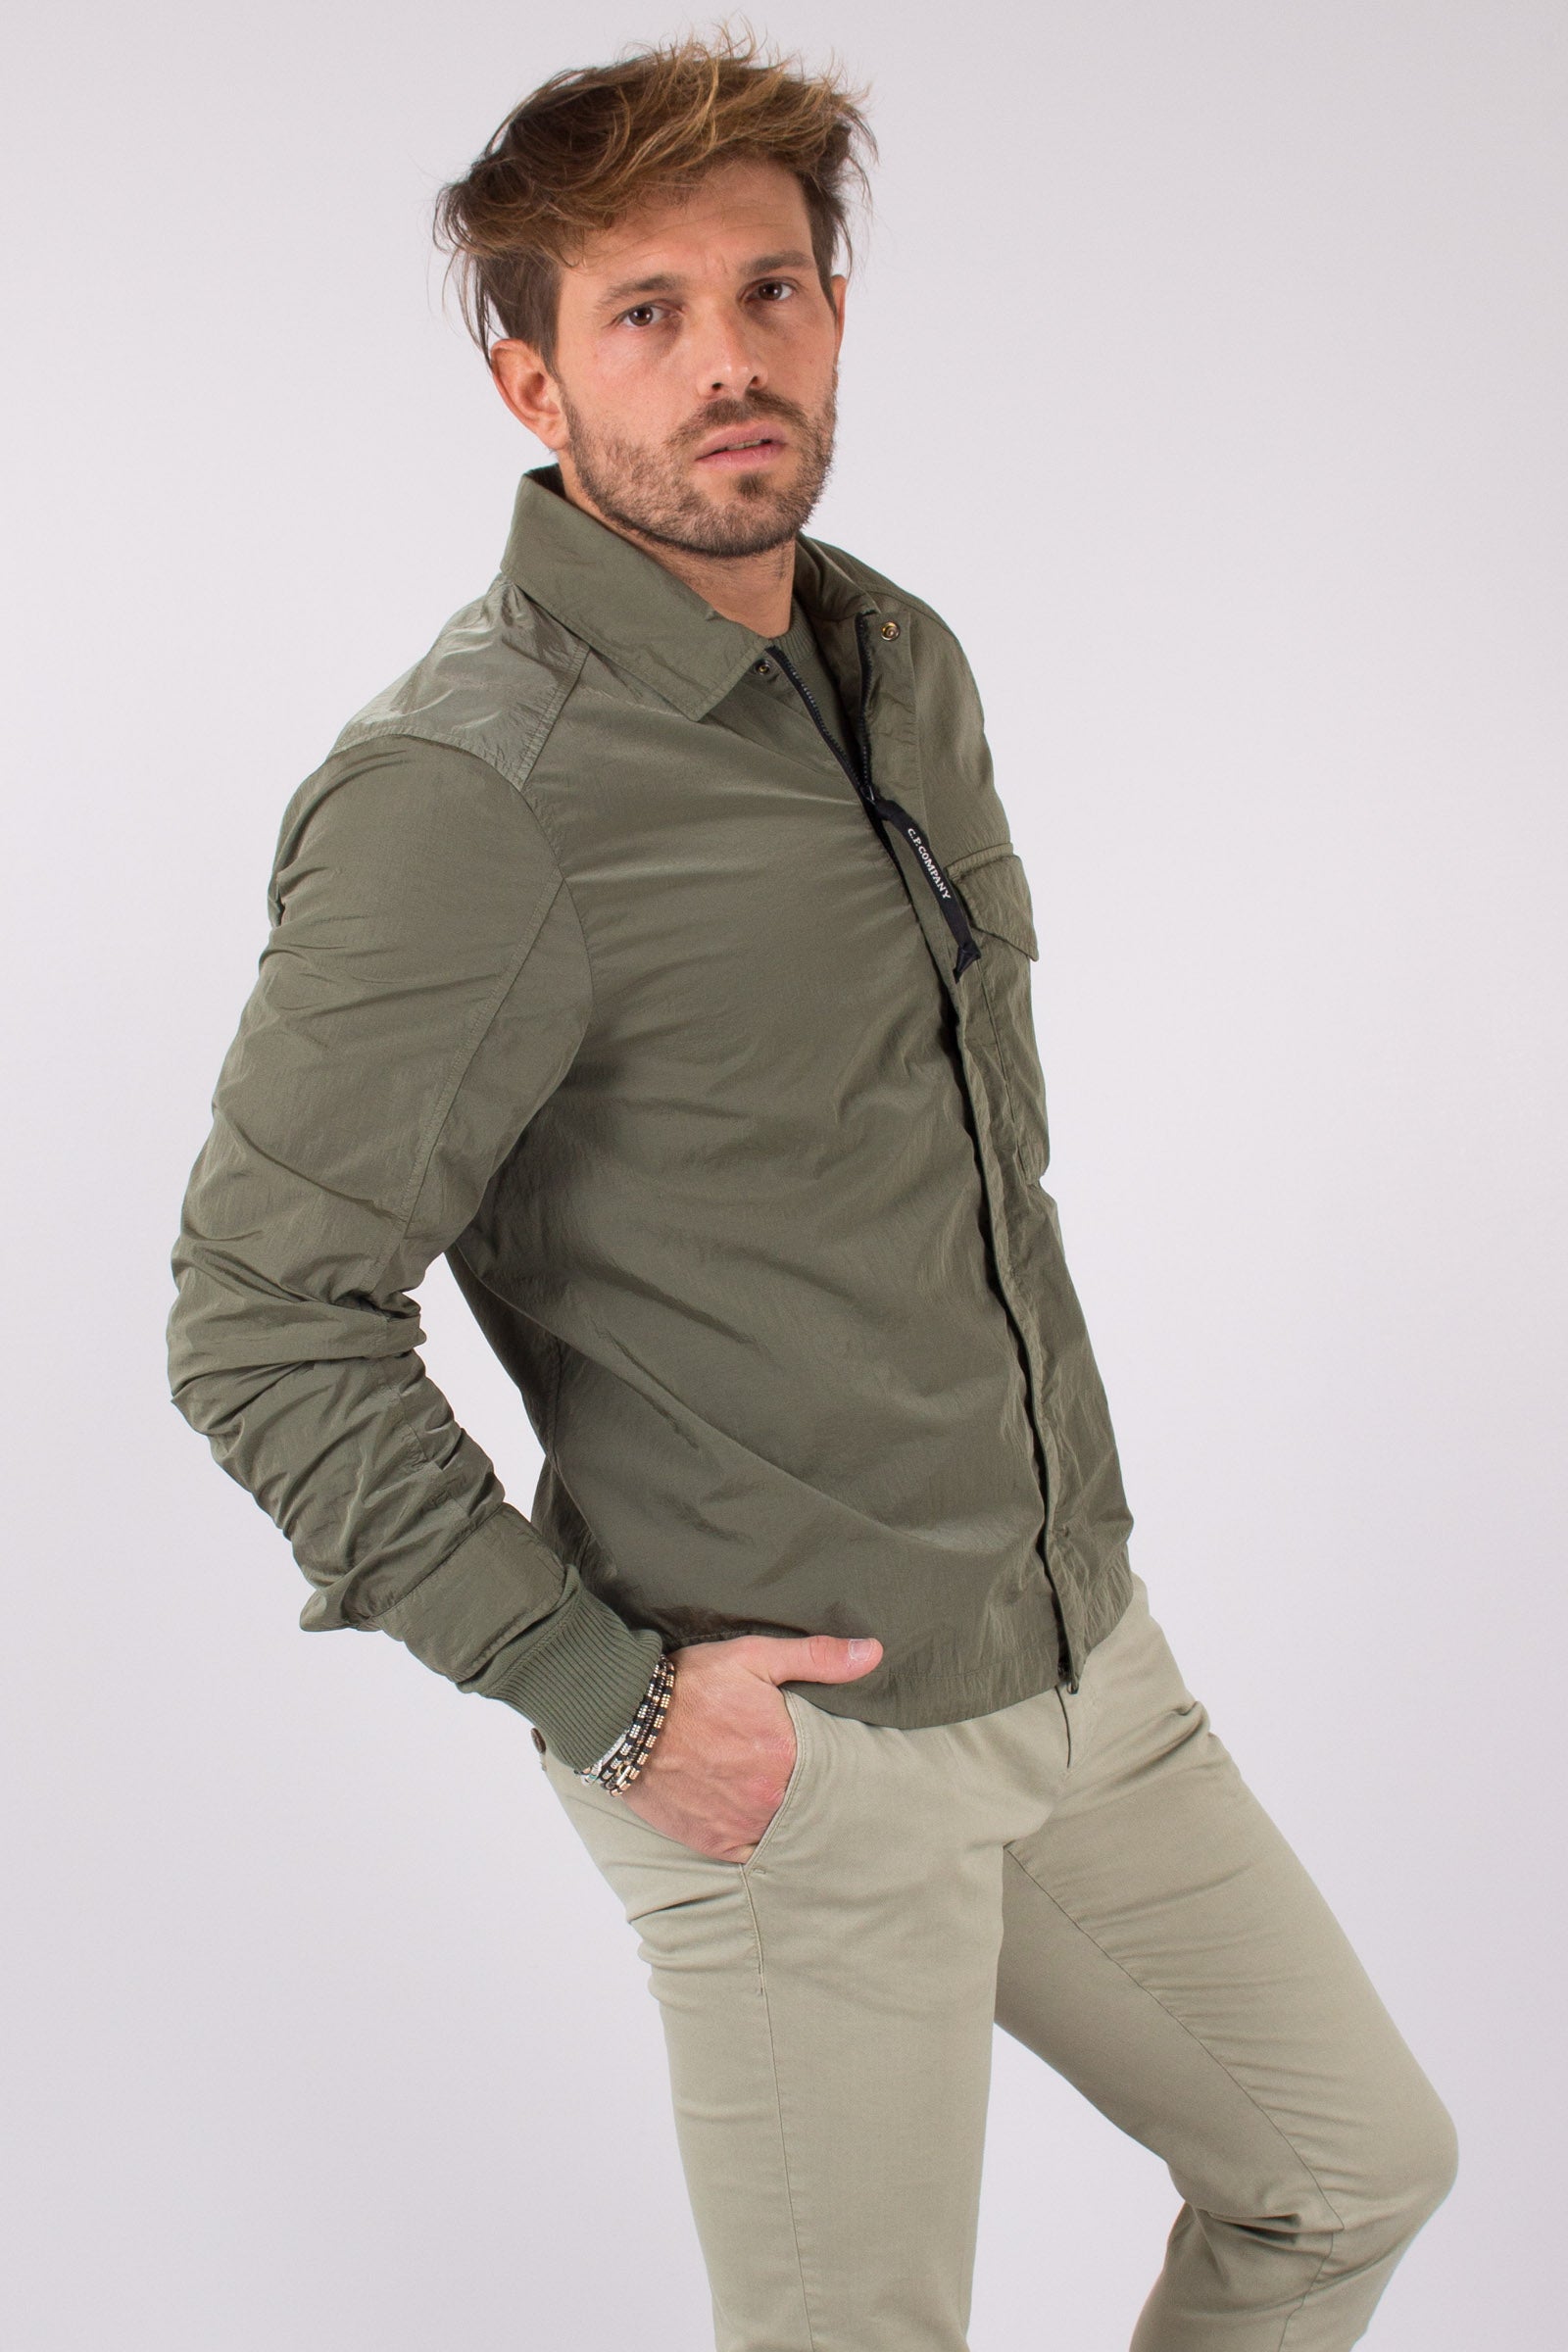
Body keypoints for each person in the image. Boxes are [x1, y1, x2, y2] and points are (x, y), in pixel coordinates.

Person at [166, 27, 1456, 2350]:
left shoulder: (894, 660)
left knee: (1344, 2171)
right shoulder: (468, 793)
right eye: (644, 314)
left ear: (834, 314)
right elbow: (259, 1319)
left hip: (1077, 1660)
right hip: (792, 1758)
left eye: (768, 291)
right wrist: (606, 1697)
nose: (726, 363)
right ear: (529, 382)